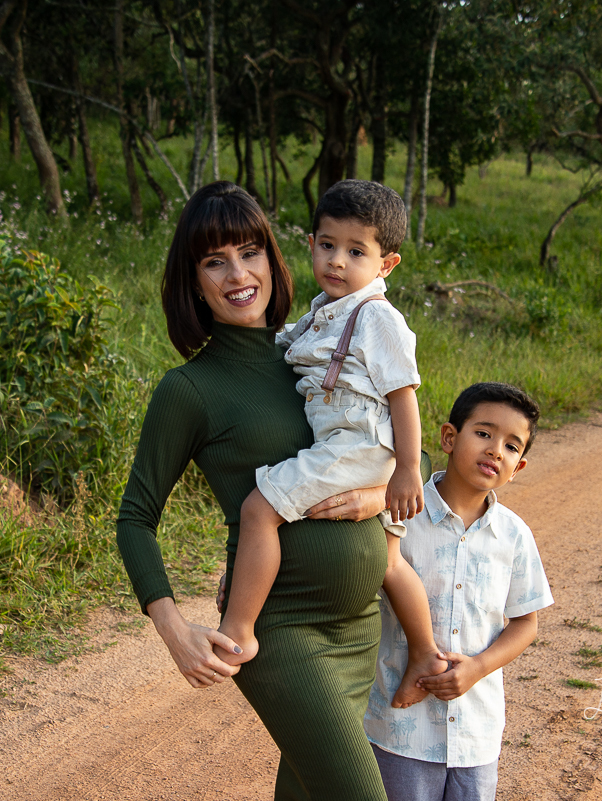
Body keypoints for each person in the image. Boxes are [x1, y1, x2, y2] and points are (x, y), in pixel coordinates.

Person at [117, 181, 426, 800]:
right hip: (284, 633)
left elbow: (385, 442)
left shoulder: (313, 350)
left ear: (273, 257)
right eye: (214, 261)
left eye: (250, 252)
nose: (238, 275)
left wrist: (373, 499)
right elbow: (135, 518)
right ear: (193, 280)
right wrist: (173, 628)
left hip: (359, 628)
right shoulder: (190, 389)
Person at [217, 179, 446, 709]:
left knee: (259, 510)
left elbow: (404, 396)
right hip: (355, 442)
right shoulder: (327, 307)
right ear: (312, 244)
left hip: (357, 443)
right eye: (327, 245)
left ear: (386, 265)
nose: (337, 261)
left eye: (356, 252)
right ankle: (426, 653)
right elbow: (286, 342)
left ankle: (240, 628)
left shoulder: (378, 318)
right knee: (390, 562)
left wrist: (406, 470)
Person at [364, 382, 554, 801]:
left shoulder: (514, 536)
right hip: (400, 730)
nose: (495, 451)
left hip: (476, 734)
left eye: (511, 446)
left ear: (518, 467)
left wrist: (478, 668)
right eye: (484, 433)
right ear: (449, 438)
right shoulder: (401, 515)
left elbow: (526, 623)